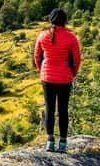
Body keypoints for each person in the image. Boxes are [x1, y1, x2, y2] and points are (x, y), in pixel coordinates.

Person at [33, 8, 81, 153]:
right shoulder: (71, 37)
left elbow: (37, 56)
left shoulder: (43, 36)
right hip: (65, 78)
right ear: (65, 21)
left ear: (50, 20)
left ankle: (49, 142)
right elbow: (77, 59)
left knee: (49, 109)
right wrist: (73, 73)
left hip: (47, 77)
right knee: (63, 110)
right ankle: (63, 144)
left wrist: (41, 70)